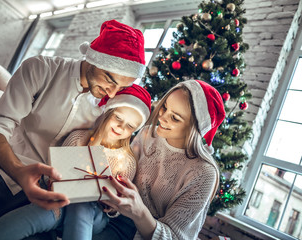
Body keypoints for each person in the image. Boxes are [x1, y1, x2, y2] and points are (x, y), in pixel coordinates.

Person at [0, 19, 146, 240]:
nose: (113, 93)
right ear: (94, 58)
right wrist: (19, 171)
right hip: (1, 173)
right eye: (109, 80)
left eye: (122, 87)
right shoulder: (40, 68)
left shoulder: (111, 109)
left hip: (51, 199)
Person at [0, 84, 151, 240]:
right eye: (118, 118)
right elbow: (56, 174)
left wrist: (111, 206)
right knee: (41, 212)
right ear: (108, 113)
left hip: (94, 215)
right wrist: (60, 188)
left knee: (83, 203)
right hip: (61, 200)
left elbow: (116, 206)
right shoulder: (79, 139)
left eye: (130, 126)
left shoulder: (126, 161)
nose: (121, 127)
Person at [94, 80, 225, 240]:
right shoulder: (147, 134)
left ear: (195, 128)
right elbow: (124, 175)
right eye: (164, 107)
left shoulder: (203, 173)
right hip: (112, 218)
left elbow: (175, 237)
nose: (162, 117)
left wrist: (139, 212)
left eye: (175, 118)